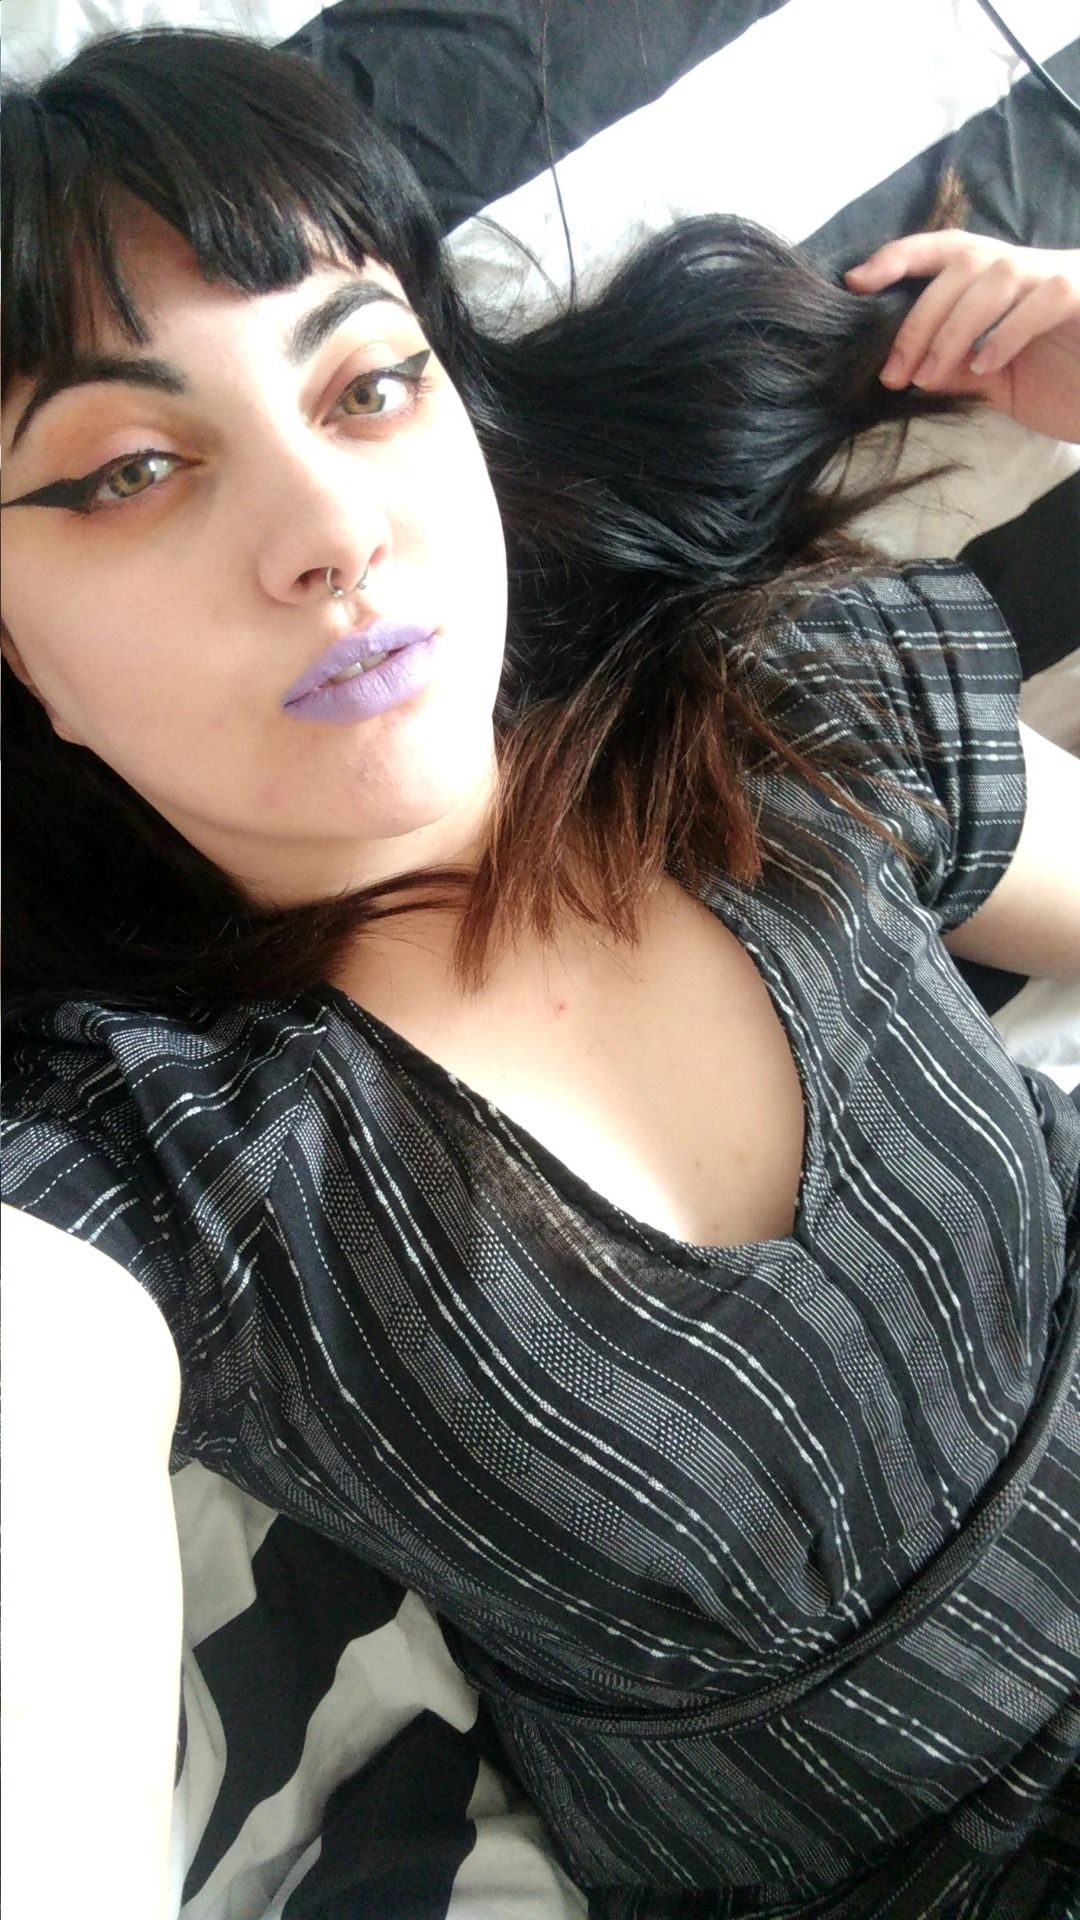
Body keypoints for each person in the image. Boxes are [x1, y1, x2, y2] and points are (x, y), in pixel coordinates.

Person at [2, 26, 1078, 1920]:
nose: (332, 534)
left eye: (369, 383)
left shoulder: (781, 710)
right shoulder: (141, 1177)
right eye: (130, 471)